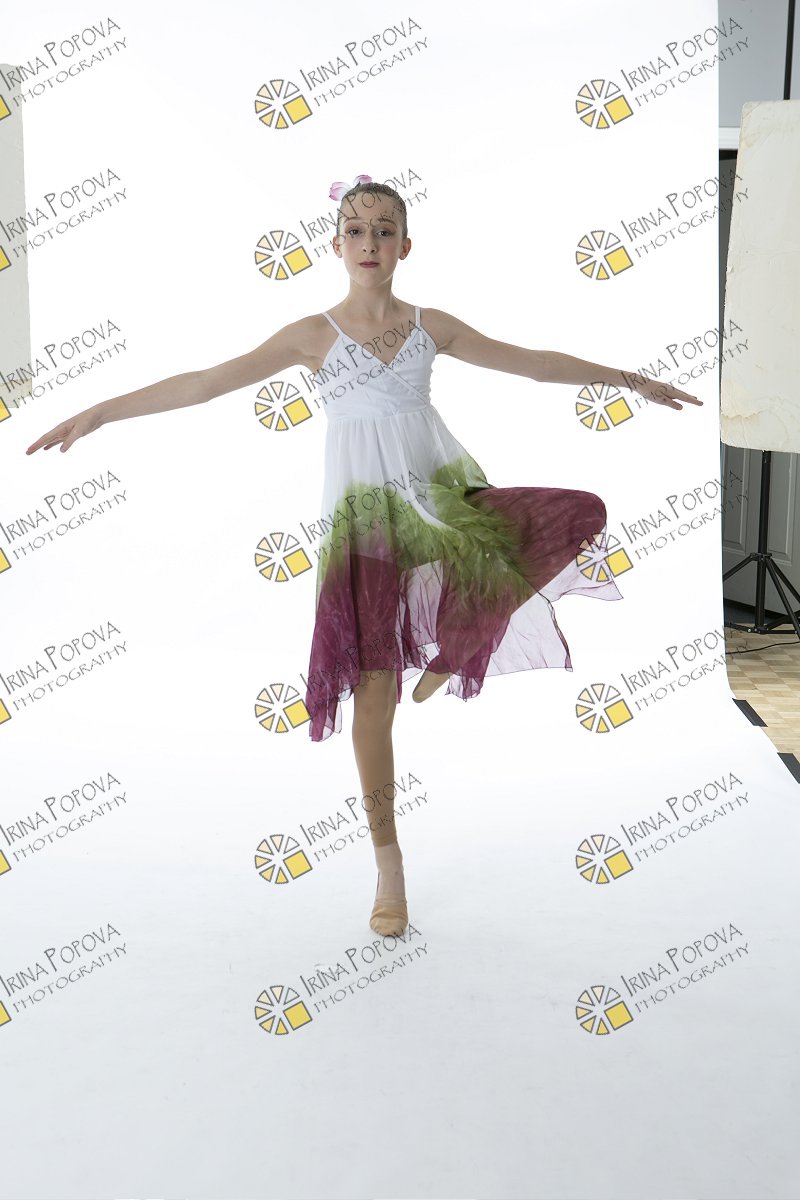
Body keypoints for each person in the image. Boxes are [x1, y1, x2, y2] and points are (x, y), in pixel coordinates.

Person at [25, 174, 702, 941]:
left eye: (384, 230)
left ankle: (459, 643)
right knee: (374, 702)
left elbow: (533, 362)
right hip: (368, 531)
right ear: (337, 244)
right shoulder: (311, 336)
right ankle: (389, 866)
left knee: (576, 516)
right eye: (356, 229)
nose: (370, 242)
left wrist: (628, 380)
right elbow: (206, 383)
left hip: (441, 500)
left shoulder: (430, 326)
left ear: (406, 246)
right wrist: (102, 412)